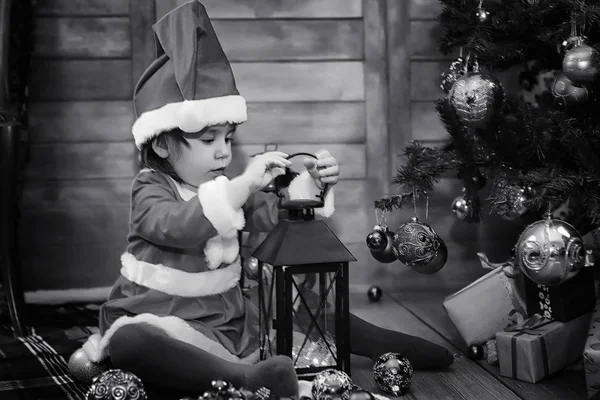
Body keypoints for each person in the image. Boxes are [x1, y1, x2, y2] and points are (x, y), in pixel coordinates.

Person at [74, 1, 454, 398]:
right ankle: (244, 379)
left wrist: (311, 185)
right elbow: (176, 224)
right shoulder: (150, 187)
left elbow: (275, 214)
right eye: (208, 141)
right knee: (130, 343)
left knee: (305, 306)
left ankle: (381, 344)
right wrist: (243, 185)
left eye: (227, 139)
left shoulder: (223, 185)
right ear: (164, 144)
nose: (223, 152)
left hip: (227, 318)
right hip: (159, 315)